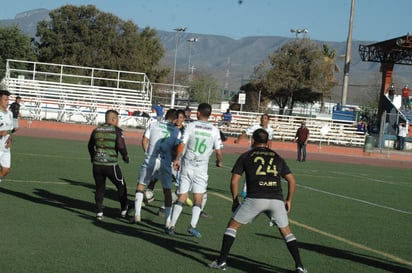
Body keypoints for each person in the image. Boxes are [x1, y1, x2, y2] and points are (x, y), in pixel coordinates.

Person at [208, 129, 307, 273]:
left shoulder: (246, 156)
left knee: (232, 226)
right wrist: (289, 200)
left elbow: (235, 181)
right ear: (267, 142)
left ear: (253, 140)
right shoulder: (277, 157)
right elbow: (292, 180)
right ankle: (299, 266)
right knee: (286, 232)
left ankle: (221, 261)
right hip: (276, 199)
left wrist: (235, 200)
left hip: (255, 198)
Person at [166, 103, 223, 237]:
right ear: (210, 114)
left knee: (182, 196)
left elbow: (182, 145)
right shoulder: (214, 130)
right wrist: (218, 161)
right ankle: (192, 226)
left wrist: (176, 159)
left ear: (198, 113)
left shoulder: (191, 126)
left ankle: (171, 226)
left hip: (187, 165)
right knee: (198, 198)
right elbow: (219, 151)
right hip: (201, 168)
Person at [132, 109, 182, 230]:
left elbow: (144, 140)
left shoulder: (153, 124)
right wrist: (176, 159)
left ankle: (137, 215)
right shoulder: (176, 131)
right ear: (175, 119)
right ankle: (167, 221)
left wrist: (147, 153)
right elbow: (178, 148)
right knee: (167, 190)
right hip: (165, 162)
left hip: (151, 159)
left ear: (166, 116)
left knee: (141, 185)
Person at [87, 110, 130, 221]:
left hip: (97, 165)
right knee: (121, 186)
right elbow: (121, 146)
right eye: (117, 119)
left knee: (100, 188)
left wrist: (93, 157)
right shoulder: (117, 130)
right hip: (111, 165)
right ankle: (124, 210)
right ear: (113, 119)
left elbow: (90, 145)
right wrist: (125, 156)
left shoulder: (96, 130)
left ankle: (99, 212)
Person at [240, 113, 274, 197]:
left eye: (265, 118)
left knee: (262, 171)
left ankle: (258, 189)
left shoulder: (270, 130)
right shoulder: (255, 127)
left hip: (263, 153)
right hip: (253, 152)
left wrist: (269, 152)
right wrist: (239, 139)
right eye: (262, 118)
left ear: (268, 120)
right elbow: (245, 131)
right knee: (250, 169)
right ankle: (244, 189)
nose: (263, 120)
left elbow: (269, 141)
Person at [0, 90, 15, 183]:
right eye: (5, 99)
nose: (7, 102)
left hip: (5, 148)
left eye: (8, 99)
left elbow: (10, 130)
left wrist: (10, 139)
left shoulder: (10, 114)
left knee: (6, 170)